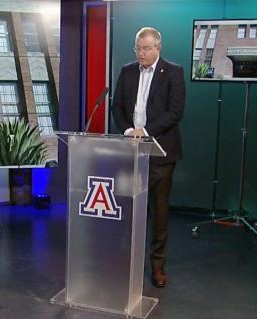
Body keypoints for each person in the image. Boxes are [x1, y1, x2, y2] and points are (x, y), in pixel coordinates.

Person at [111, 27, 185, 287]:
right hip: (132, 152)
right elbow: (117, 107)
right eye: (137, 48)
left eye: (146, 48)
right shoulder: (127, 71)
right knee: (129, 210)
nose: (141, 53)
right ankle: (127, 262)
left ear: (158, 48)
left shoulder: (173, 72)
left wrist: (146, 132)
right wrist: (129, 131)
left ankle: (157, 267)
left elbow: (175, 112)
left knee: (159, 212)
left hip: (160, 153)